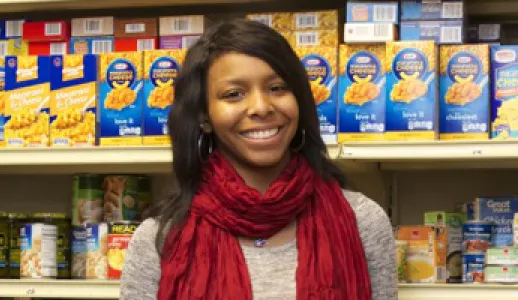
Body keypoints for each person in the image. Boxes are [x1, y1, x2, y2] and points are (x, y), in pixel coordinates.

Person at [120, 19, 397, 300]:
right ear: (204, 116)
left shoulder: (363, 222)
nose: (261, 107)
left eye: (277, 88)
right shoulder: (160, 239)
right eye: (234, 94)